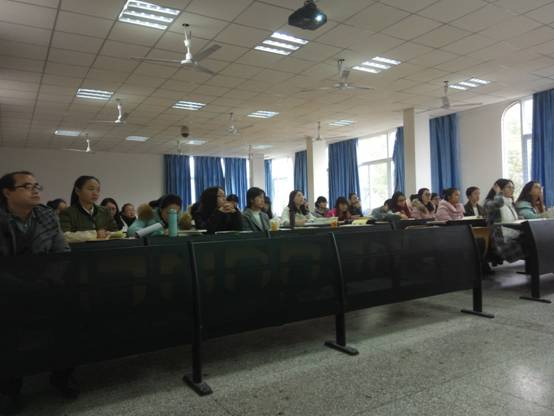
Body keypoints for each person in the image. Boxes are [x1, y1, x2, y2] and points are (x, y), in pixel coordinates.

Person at [0, 171, 79, 406]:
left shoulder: (46, 216)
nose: (35, 190)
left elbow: (62, 253)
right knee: (8, 328)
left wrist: (46, 281)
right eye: (27, 186)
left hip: (45, 285)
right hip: (6, 289)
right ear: (7, 192)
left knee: (70, 316)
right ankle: (9, 386)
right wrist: (20, 285)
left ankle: (61, 375)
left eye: (37, 185)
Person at [59, 176, 118, 242]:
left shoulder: (105, 211)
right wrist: (94, 234)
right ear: (77, 191)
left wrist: (109, 234)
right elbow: (64, 236)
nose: (95, 193)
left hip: (105, 247)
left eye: (98, 190)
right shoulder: (67, 212)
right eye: (91, 189)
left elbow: (115, 232)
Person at [485, 178, 524, 262]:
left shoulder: (510, 203)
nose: (512, 190)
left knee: (538, 242)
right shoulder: (489, 202)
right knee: (532, 245)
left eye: (513, 188)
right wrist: (498, 193)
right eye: (509, 187)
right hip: (502, 240)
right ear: (500, 188)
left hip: (515, 236)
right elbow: (498, 203)